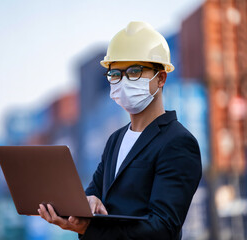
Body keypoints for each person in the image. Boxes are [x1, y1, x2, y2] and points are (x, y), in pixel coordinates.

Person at [38, 21, 202, 240]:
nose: (123, 81)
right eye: (115, 73)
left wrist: (89, 229)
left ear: (161, 78)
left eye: (134, 71)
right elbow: (93, 193)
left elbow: (162, 229)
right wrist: (80, 210)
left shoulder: (178, 143)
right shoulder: (116, 139)